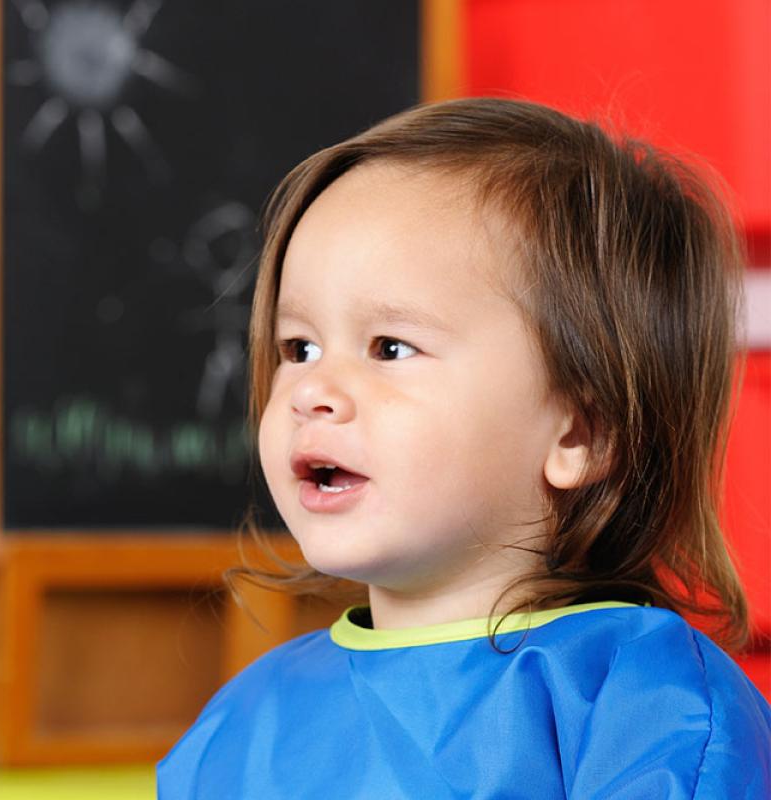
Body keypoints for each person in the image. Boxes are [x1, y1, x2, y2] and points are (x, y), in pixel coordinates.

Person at [158, 98, 771, 798]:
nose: (311, 390)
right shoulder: (245, 718)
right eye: (299, 348)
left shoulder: (643, 708)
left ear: (581, 433)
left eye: (390, 347)